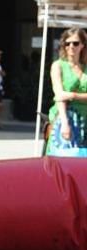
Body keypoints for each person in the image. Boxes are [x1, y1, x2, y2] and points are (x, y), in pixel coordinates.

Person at [45, 27, 87, 156]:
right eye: (67, 43)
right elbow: (59, 96)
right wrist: (64, 123)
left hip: (85, 118)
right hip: (65, 117)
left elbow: (65, 95)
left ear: (82, 45)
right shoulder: (58, 65)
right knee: (62, 159)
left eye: (75, 43)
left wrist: (72, 95)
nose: (71, 46)